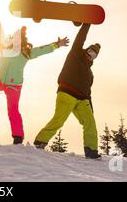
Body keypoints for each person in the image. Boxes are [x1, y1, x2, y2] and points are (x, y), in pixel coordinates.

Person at [0, 2, 69, 144]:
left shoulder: (26, 53)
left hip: (14, 86)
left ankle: (18, 136)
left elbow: (42, 50)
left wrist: (56, 44)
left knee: (13, 110)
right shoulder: (3, 47)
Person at [33, 23, 101, 159]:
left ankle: (91, 150)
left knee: (90, 122)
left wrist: (90, 108)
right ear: (86, 50)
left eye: (93, 55)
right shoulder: (75, 54)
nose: (90, 55)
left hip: (82, 100)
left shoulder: (90, 73)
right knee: (59, 119)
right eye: (90, 51)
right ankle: (40, 141)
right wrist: (87, 23)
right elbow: (80, 38)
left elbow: (89, 92)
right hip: (67, 93)